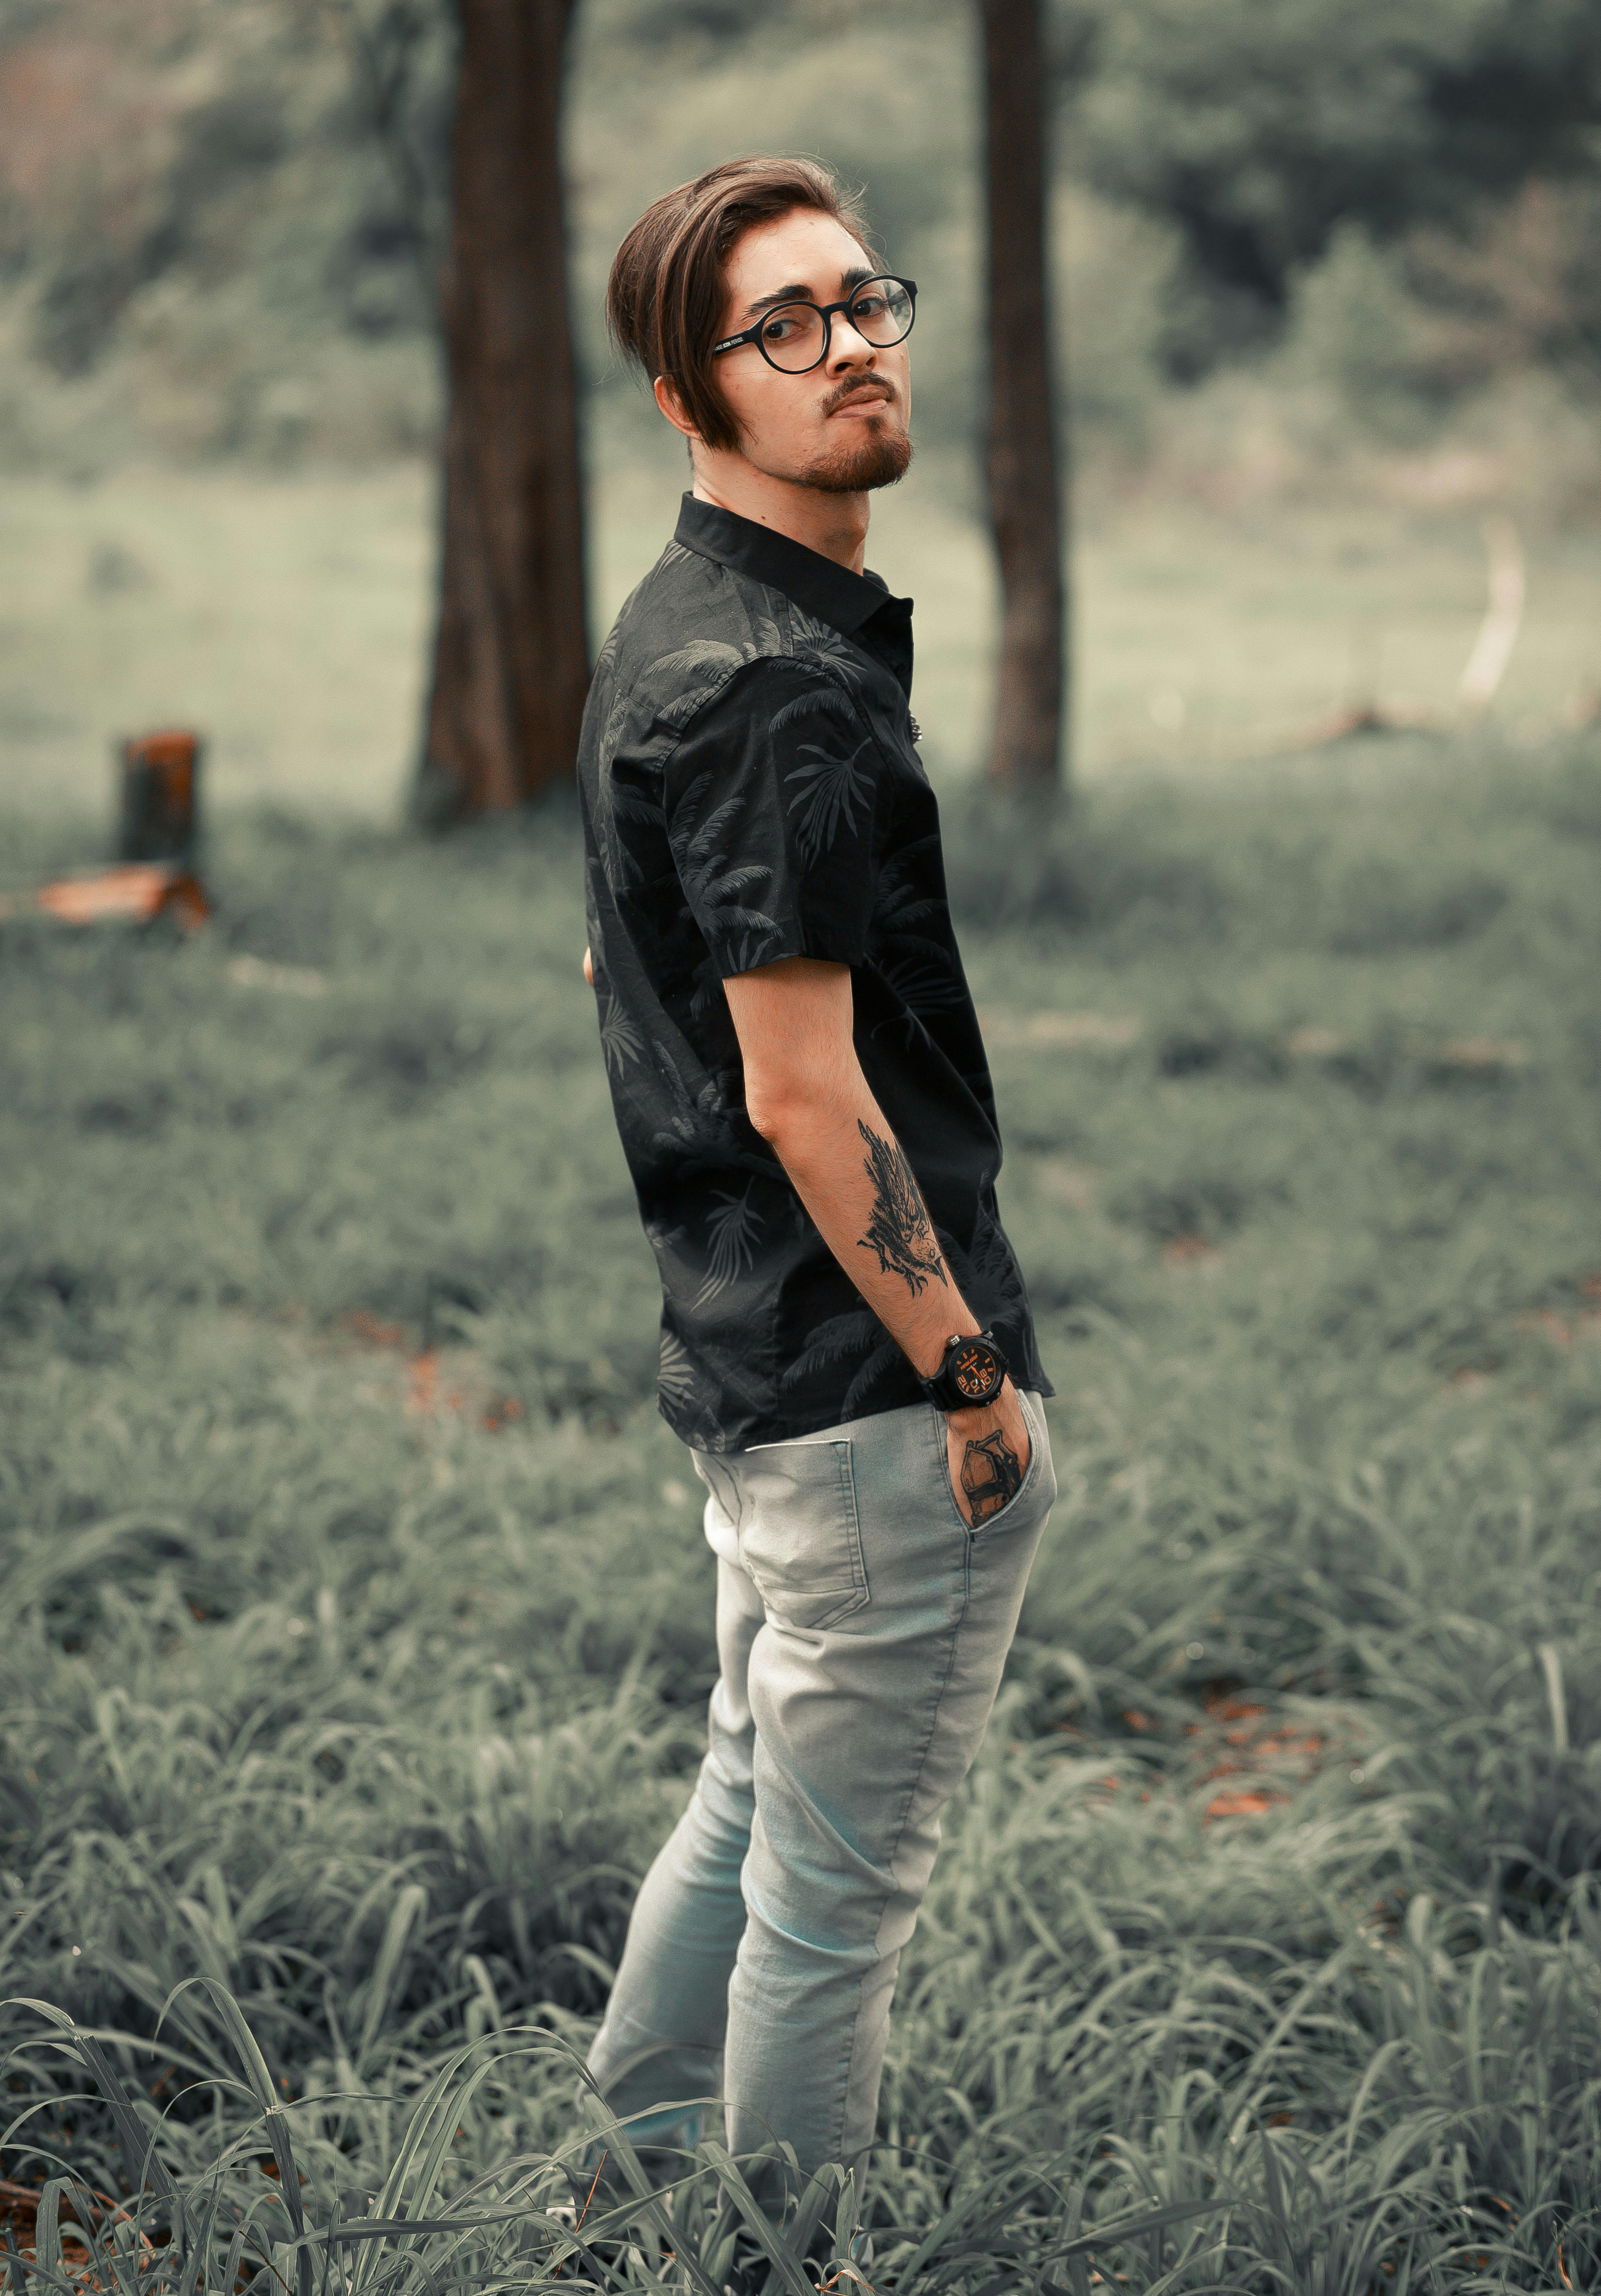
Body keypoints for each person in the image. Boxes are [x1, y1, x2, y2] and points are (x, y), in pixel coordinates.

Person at [575, 155, 1055, 2227]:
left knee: (754, 1786)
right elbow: (803, 1095)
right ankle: (775, 2270)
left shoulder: (700, 621)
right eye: (786, 325)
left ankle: (630, 2195)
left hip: (758, 1364)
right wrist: (966, 1380)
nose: (850, 347)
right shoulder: (774, 681)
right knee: (837, 1910)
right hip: (861, 1393)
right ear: (693, 398)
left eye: (864, 299)